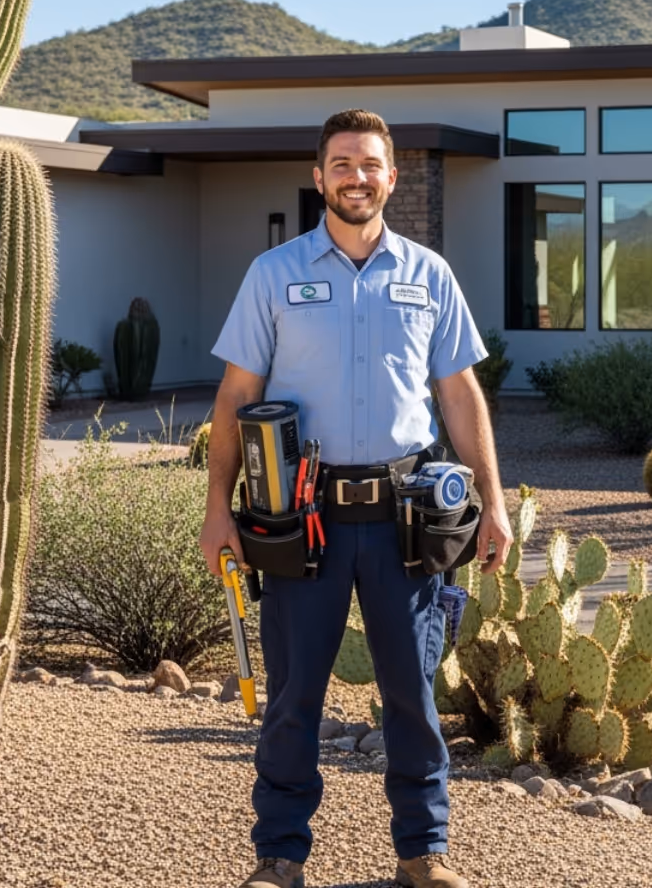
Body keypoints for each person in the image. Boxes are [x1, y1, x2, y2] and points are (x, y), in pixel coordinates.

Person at [198, 108, 512, 888]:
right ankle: (279, 857)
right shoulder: (273, 275)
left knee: (411, 696)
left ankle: (423, 854)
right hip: (299, 518)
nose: (356, 176)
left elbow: (460, 395)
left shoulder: (429, 275)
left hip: (406, 519)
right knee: (292, 697)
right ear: (319, 177)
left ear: (392, 177)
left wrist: (494, 504)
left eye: (370, 164)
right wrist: (216, 506)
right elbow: (235, 397)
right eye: (342, 163)